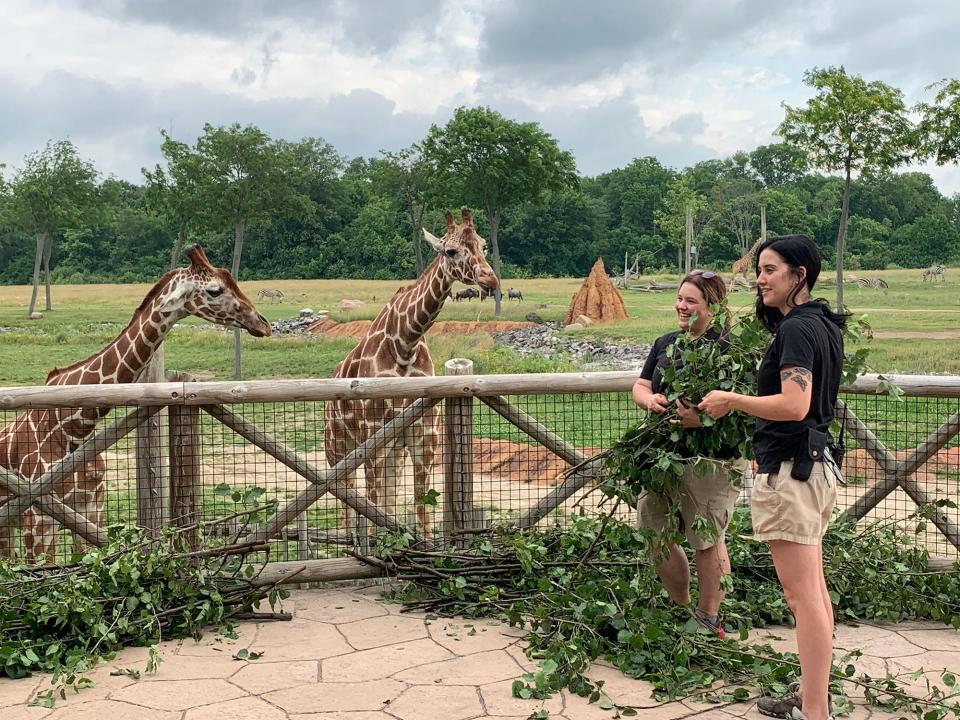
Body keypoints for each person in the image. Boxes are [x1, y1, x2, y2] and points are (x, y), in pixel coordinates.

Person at [698, 236, 845, 720]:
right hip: (814, 467)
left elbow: (795, 404)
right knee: (815, 594)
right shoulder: (822, 323)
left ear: (799, 275)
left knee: (803, 599)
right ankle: (810, 700)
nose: (760, 279)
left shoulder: (798, 329)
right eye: (760, 270)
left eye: (770, 269)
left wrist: (731, 399)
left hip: (791, 473)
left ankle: (815, 711)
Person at [632, 269, 744, 639]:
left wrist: (702, 422)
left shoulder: (732, 350)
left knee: (707, 538)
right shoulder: (666, 343)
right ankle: (679, 607)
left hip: (713, 459)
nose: (681, 306)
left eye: (691, 301)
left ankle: (708, 616)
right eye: (680, 298)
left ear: (713, 305)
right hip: (663, 456)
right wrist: (650, 400)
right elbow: (640, 384)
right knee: (655, 531)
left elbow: (746, 412)